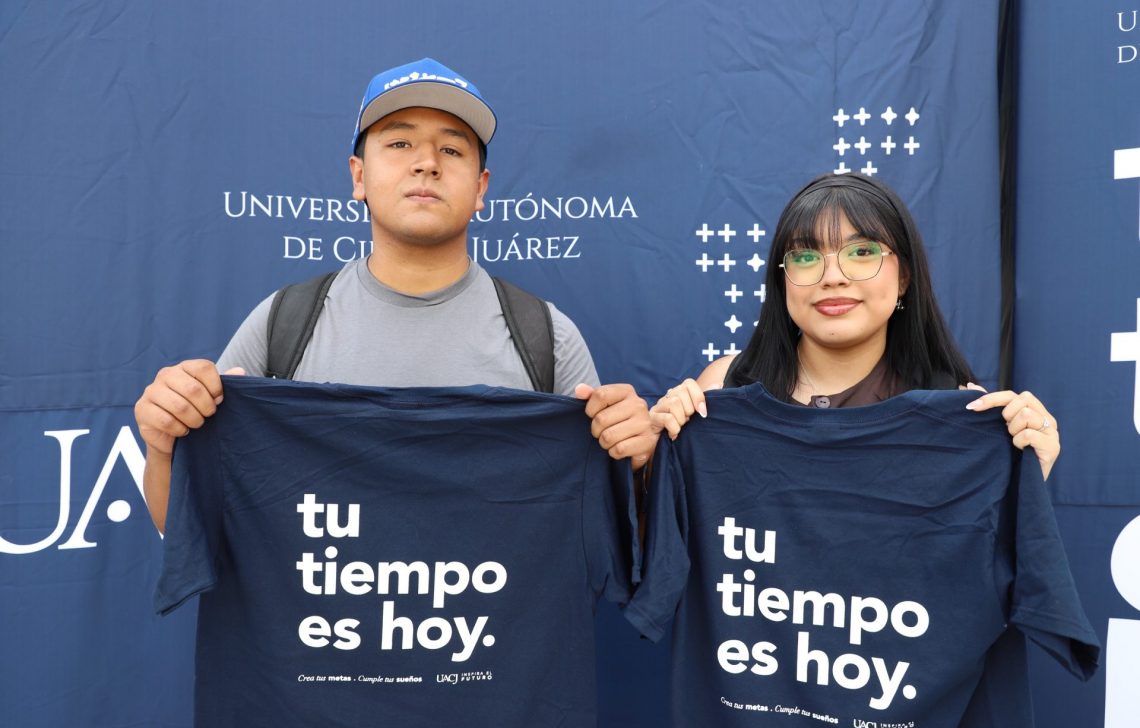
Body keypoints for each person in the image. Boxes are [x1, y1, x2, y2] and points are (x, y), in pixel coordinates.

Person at [135, 58, 656, 533]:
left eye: (451, 149)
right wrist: (163, 446)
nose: (426, 163)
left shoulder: (547, 336)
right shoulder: (283, 324)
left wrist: (633, 465)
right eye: (400, 144)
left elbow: (605, 527)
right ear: (359, 176)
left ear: (481, 188)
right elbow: (184, 524)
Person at [650, 172, 1060, 478]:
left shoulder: (957, 411)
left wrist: (1025, 475)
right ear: (782, 279)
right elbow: (674, 545)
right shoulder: (721, 390)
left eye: (862, 252)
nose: (833, 277)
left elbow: (982, 555)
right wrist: (650, 466)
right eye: (805, 256)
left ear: (904, 277)